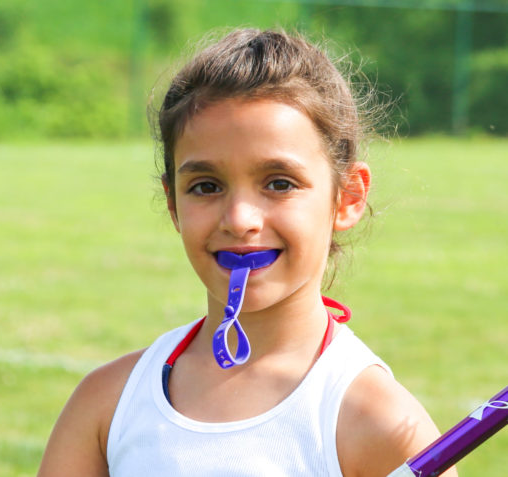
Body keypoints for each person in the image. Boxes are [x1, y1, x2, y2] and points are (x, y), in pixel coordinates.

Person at [37, 29, 457, 477]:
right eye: (206, 187)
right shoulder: (107, 403)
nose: (239, 219)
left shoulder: (377, 424)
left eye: (279, 183)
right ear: (173, 204)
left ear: (348, 197)